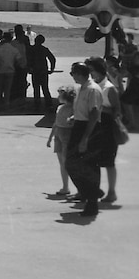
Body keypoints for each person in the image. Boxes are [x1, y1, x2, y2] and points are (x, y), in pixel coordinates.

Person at [65, 61, 104, 217]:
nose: (72, 76)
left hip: (90, 129)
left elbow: (94, 115)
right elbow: (85, 110)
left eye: (72, 73)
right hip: (80, 125)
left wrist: (85, 138)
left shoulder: (92, 89)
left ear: (80, 74)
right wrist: (75, 117)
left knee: (89, 165)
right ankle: (92, 192)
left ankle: (92, 201)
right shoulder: (82, 88)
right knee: (70, 163)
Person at [87, 56, 122, 205]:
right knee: (92, 161)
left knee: (108, 161)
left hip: (107, 127)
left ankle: (111, 192)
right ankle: (92, 190)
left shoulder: (108, 88)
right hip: (94, 126)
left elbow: (117, 111)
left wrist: (101, 109)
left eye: (91, 71)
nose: (90, 74)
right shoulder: (91, 86)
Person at [47, 85, 76, 197]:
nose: (58, 96)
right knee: (62, 162)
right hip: (59, 135)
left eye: (60, 94)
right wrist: (50, 138)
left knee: (67, 162)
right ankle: (65, 186)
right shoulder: (60, 108)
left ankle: (76, 187)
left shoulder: (74, 108)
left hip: (67, 135)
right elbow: (55, 124)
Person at [30, 35, 57, 111]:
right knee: (45, 88)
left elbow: (28, 59)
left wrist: (29, 68)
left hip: (35, 71)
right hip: (43, 71)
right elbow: (52, 59)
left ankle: (37, 105)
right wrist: (52, 68)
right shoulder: (44, 49)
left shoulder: (32, 49)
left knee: (36, 89)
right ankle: (49, 104)